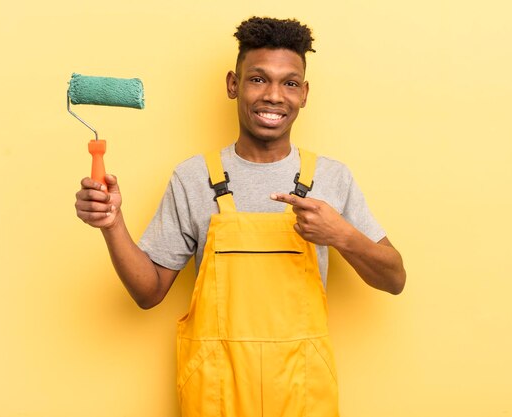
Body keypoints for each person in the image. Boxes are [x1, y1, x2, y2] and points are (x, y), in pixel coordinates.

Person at [75, 16, 406, 417]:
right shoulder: (193, 178)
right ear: (233, 84)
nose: (273, 96)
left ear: (304, 93)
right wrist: (113, 224)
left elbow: (394, 279)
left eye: (289, 83)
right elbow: (148, 293)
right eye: (258, 79)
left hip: (302, 391)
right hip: (216, 393)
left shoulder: (333, 178)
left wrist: (341, 234)